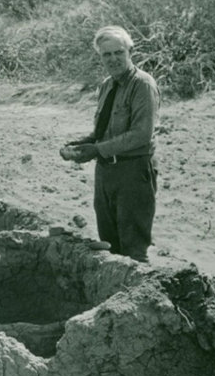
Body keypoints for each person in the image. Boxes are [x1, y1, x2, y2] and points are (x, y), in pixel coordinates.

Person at [60, 25, 160, 262]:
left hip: (133, 172)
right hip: (106, 172)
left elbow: (141, 134)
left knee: (134, 248)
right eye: (107, 54)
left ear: (130, 52)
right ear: (100, 57)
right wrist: (82, 145)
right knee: (110, 244)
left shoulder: (143, 85)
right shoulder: (107, 85)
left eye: (118, 52)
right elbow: (102, 131)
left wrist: (96, 150)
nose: (113, 59)